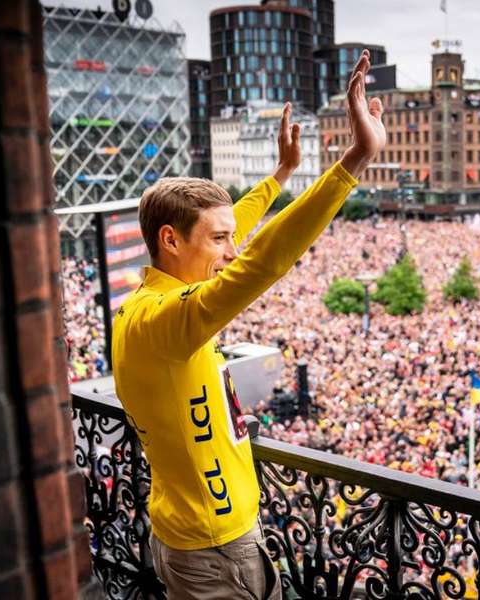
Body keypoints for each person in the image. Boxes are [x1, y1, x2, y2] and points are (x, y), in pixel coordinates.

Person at [111, 50, 386, 599]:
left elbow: (232, 228)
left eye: (229, 236)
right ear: (170, 240)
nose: (231, 251)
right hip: (213, 551)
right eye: (218, 241)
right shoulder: (168, 319)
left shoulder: (147, 303)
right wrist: (354, 159)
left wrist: (280, 175)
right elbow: (264, 259)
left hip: (194, 534)